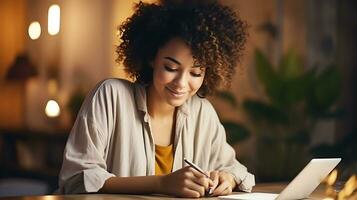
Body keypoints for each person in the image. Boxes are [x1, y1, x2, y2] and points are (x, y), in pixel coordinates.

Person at [57, 0, 254, 198]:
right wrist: (161, 183)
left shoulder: (203, 112)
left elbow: (236, 170)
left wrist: (227, 178)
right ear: (152, 57)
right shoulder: (111, 96)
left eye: (195, 72)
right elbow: (77, 178)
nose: (181, 83)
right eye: (171, 68)